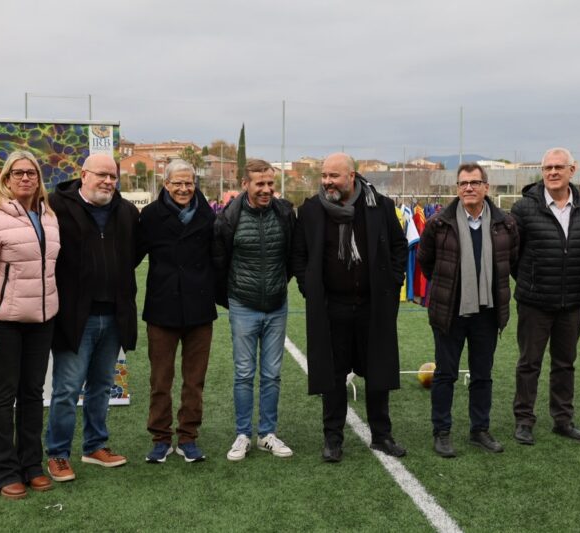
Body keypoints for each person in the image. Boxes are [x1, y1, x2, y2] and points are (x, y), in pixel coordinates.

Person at [291, 152, 407, 462]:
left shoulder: (379, 206)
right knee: (332, 376)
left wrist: (393, 281)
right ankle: (333, 439)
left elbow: (398, 246)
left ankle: (382, 435)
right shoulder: (312, 210)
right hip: (332, 308)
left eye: (334, 176)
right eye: (324, 176)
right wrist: (308, 287)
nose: (328, 182)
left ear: (351, 177)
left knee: (378, 372)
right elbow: (299, 255)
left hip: (372, 306)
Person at [0, 151, 60, 500]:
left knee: (33, 394)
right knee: (3, 396)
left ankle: (31, 465)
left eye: (31, 173)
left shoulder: (49, 216)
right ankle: (5, 471)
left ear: (38, 178)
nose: (25, 178)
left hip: (41, 321)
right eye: (17, 173)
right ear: (5, 179)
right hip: (3, 323)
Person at [44, 153, 139, 481]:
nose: (109, 182)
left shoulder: (125, 211)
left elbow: (134, 255)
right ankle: (57, 453)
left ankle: (94, 446)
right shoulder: (55, 205)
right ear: (83, 175)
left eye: (113, 176)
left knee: (101, 387)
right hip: (74, 318)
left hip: (114, 316)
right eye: (102, 175)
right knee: (67, 389)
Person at [418, 163, 518, 457]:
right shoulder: (439, 223)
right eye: (463, 183)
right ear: (457, 189)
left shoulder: (505, 224)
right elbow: (426, 263)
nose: (469, 188)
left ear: (487, 188)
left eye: (475, 182)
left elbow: (510, 261)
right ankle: (442, 432)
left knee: (482, 375)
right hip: (450, 311)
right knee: (445, 374)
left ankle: (479, 430)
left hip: (487, 312)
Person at [511, 147, 580, 445]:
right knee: (529, 363)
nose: (552, 172)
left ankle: (563, 420)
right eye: (547, 167)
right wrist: (532, 282)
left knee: (565, 364)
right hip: (534, 303)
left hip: (571, 302)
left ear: (572, 170)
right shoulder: (523, 208)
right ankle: (524, 420)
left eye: (559, 167)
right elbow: (513, 255)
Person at [213, 159, 296, 461]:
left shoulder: (285, 212)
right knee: (244, 373)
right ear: (245, 184)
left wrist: (277, 286)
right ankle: (242, 434)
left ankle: (267, 434)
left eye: (270, 183)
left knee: (272, 374)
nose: (266, 189)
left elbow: (290, 257)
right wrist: (234, 298)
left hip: (277, 304)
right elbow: (219, 263)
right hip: (243, 305)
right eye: (259, 184)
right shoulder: (228, 218)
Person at [136, 160, 217, 464]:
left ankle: (188, 436)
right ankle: (160, 437)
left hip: (199, 310)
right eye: (177, 183)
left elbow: (218, 258)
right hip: (162, 309)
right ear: (165, 184)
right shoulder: (151, 216)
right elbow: (131, 254)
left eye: (189, 183)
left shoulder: (208, 215)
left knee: (194, 381)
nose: (184, 189)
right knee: (160, 380)